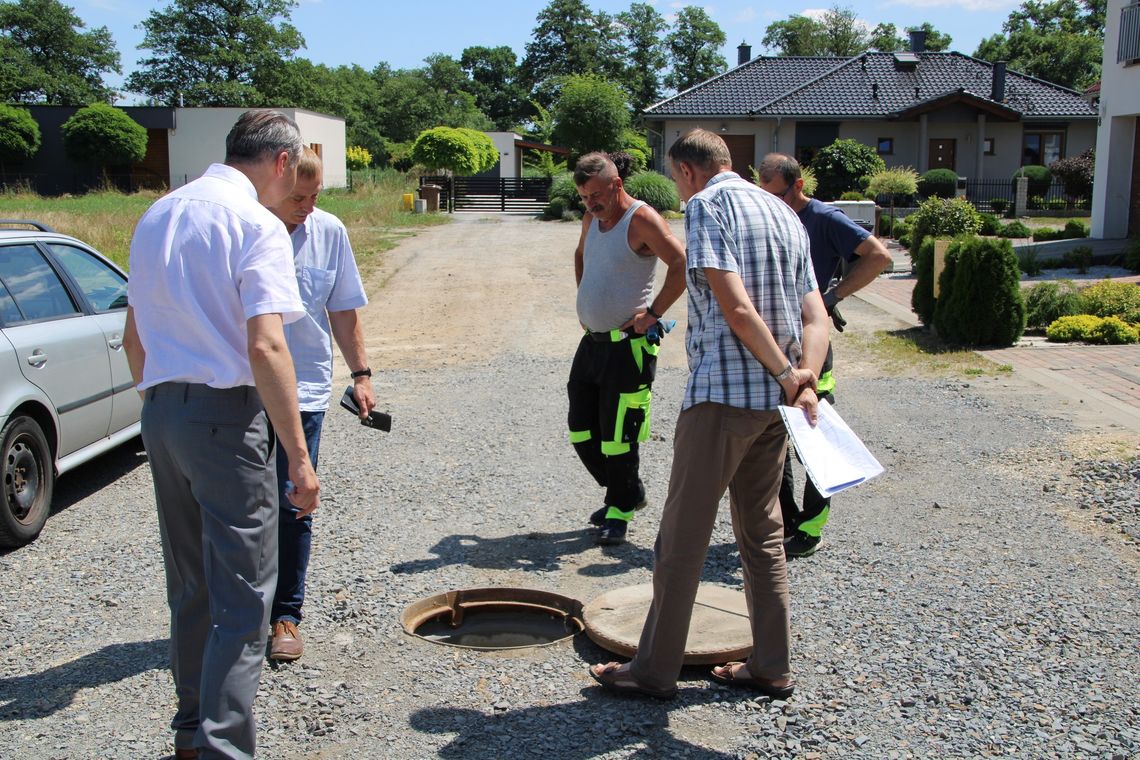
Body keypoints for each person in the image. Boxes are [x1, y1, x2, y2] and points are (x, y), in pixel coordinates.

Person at [588, 128, 828, 699]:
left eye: (675, 177)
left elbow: (735, 306)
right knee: (763, 532)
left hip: (723, 397)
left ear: (689, 171)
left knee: (681, 538)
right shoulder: (783, 212)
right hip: (774, 408)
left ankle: (652, 672)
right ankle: (771, 663)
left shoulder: (708, 206)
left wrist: (783, 373)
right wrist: (803, 379)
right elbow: (814, 314)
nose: (677, 188)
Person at [123, 110, 320, 760]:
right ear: (283, 163)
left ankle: (189, 733)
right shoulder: (255, 225)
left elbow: (134, 338)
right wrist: (298, 454)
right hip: (223, 416)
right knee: (243, 601)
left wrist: (163, 406)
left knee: (192, 589)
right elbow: (267, 346)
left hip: (161, 408)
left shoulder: (159, 215)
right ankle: (222, 748)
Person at [265, 148, 375, 661]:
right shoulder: (246, 229)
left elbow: (343, 309)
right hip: (242, 391)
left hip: (304, 391)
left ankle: (286, 615)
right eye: (298, 197)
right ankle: (240, 612)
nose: (307, 206)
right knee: (241, 508)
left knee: (296, 501)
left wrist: (361, 374)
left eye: (315, 196)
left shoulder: (329, 231)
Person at [757, 153, 893, 558]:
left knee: (813, 439)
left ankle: (811, 528)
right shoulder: (770, 215)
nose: (772, 203)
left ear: (798, 186)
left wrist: (832, 296)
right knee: (772, 437)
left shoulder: (824, 218)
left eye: (778, 194)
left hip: (813, 347)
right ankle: (785, 520)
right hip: (774, 343)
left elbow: (879, 256)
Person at [569, 152, 686, 545]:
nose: (591, 205)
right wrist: (585, 298)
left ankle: (619, 509)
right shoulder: (592, 219)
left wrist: (653, 314)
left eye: (597, 196)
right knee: (581, 430)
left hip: (628, 349)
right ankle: (627, 492)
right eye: (585, 198)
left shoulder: (641, 219)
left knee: (619, 434)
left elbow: (681, 264)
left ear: (617, 185)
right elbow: (581, 254)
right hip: (592, 344)